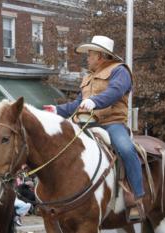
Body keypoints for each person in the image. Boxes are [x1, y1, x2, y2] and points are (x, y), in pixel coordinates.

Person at [44, 35, 144, 221]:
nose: (87, 58)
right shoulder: (88, 77)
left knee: (126, 149)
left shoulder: (120, 71)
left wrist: (94, 101)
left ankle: (136, 198)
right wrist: (57, 110)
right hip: (86, 123)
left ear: (100, 55)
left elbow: (114, 92)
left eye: (90, 54)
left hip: (112, 123)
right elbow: (79, 104)